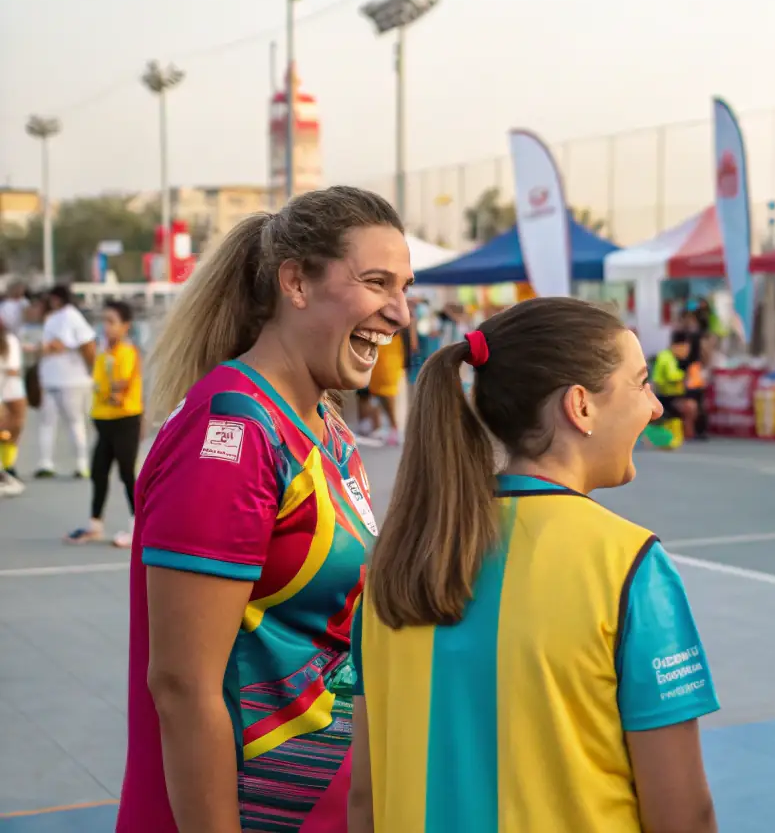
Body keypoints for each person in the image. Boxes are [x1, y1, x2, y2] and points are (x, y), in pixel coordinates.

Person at [348, 298, 718, 832]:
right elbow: (683, 814)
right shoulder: (629, 566)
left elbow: (365, 801)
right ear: (581, 406)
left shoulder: (395, 568)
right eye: (640, 384)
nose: (656, 407)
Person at [115, 187, 411, 833]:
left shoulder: (325, 427)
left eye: (404, 287)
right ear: (295, 283)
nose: (400, 313)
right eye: (376, 283)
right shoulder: (233, 436)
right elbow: (182, 687)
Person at [65, 301, 142, 547]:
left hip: (124, 420)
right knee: (99, 471)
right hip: (104, 422)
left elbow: (120, 389)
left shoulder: (127, 353)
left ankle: (137, 527)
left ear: (125, 326)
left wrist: (112, 389)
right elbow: (97, 386)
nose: (106, 327)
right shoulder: (103, 354)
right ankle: (95, 524)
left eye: (112, 322)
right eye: (104, 321)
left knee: (127, 473)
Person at [34, 285, 98, 479]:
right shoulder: (52, 318)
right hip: (52, 377)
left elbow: (86, 343)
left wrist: (92, 370)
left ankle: (81, 463)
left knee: (75, 422)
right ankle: (46, 462)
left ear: (57, 298)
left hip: (72, 379)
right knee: (48, 422)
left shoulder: (71, 316)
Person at [652, 329, 699, 439]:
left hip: (674, 395)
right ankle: (688, 435)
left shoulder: (673, 358)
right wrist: (686, 376)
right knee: (690, 406)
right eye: (685, 347)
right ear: (677, 345)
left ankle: (686, 433)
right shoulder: (665, 357)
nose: (687, 351)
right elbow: (671, 376)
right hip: (664, 397)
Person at [0, 313, 25, 495]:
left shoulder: (9, 340)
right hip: (4, 390)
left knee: (13, 429)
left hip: (12, 389)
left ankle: (8, 466)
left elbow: (13, 370)